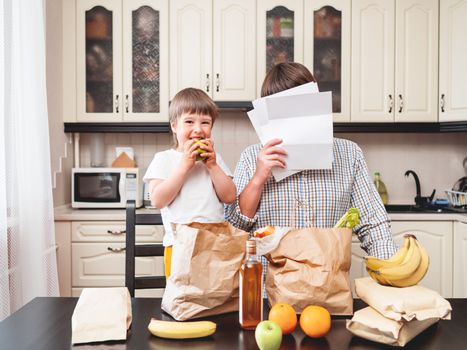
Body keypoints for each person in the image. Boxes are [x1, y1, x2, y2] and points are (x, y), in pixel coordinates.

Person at [225, 62, 398, 261]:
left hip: (327, 284)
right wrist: (258, 178)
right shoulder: (251, 157)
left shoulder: (350, 154)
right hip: (268, 285)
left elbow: (373, 224)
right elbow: (234, 228)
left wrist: (392, 270)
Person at [144, 87, 236, 277]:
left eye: (205, 122)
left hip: (215, 244)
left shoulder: (214, 160)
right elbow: (158, 200)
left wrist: (212, 166)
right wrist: (185, 165)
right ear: (174, 126)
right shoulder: (164, 159)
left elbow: (229, 196)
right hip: (178, 246)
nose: (198, 129)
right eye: (189, 122)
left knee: (215, 297)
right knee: (182, 298)